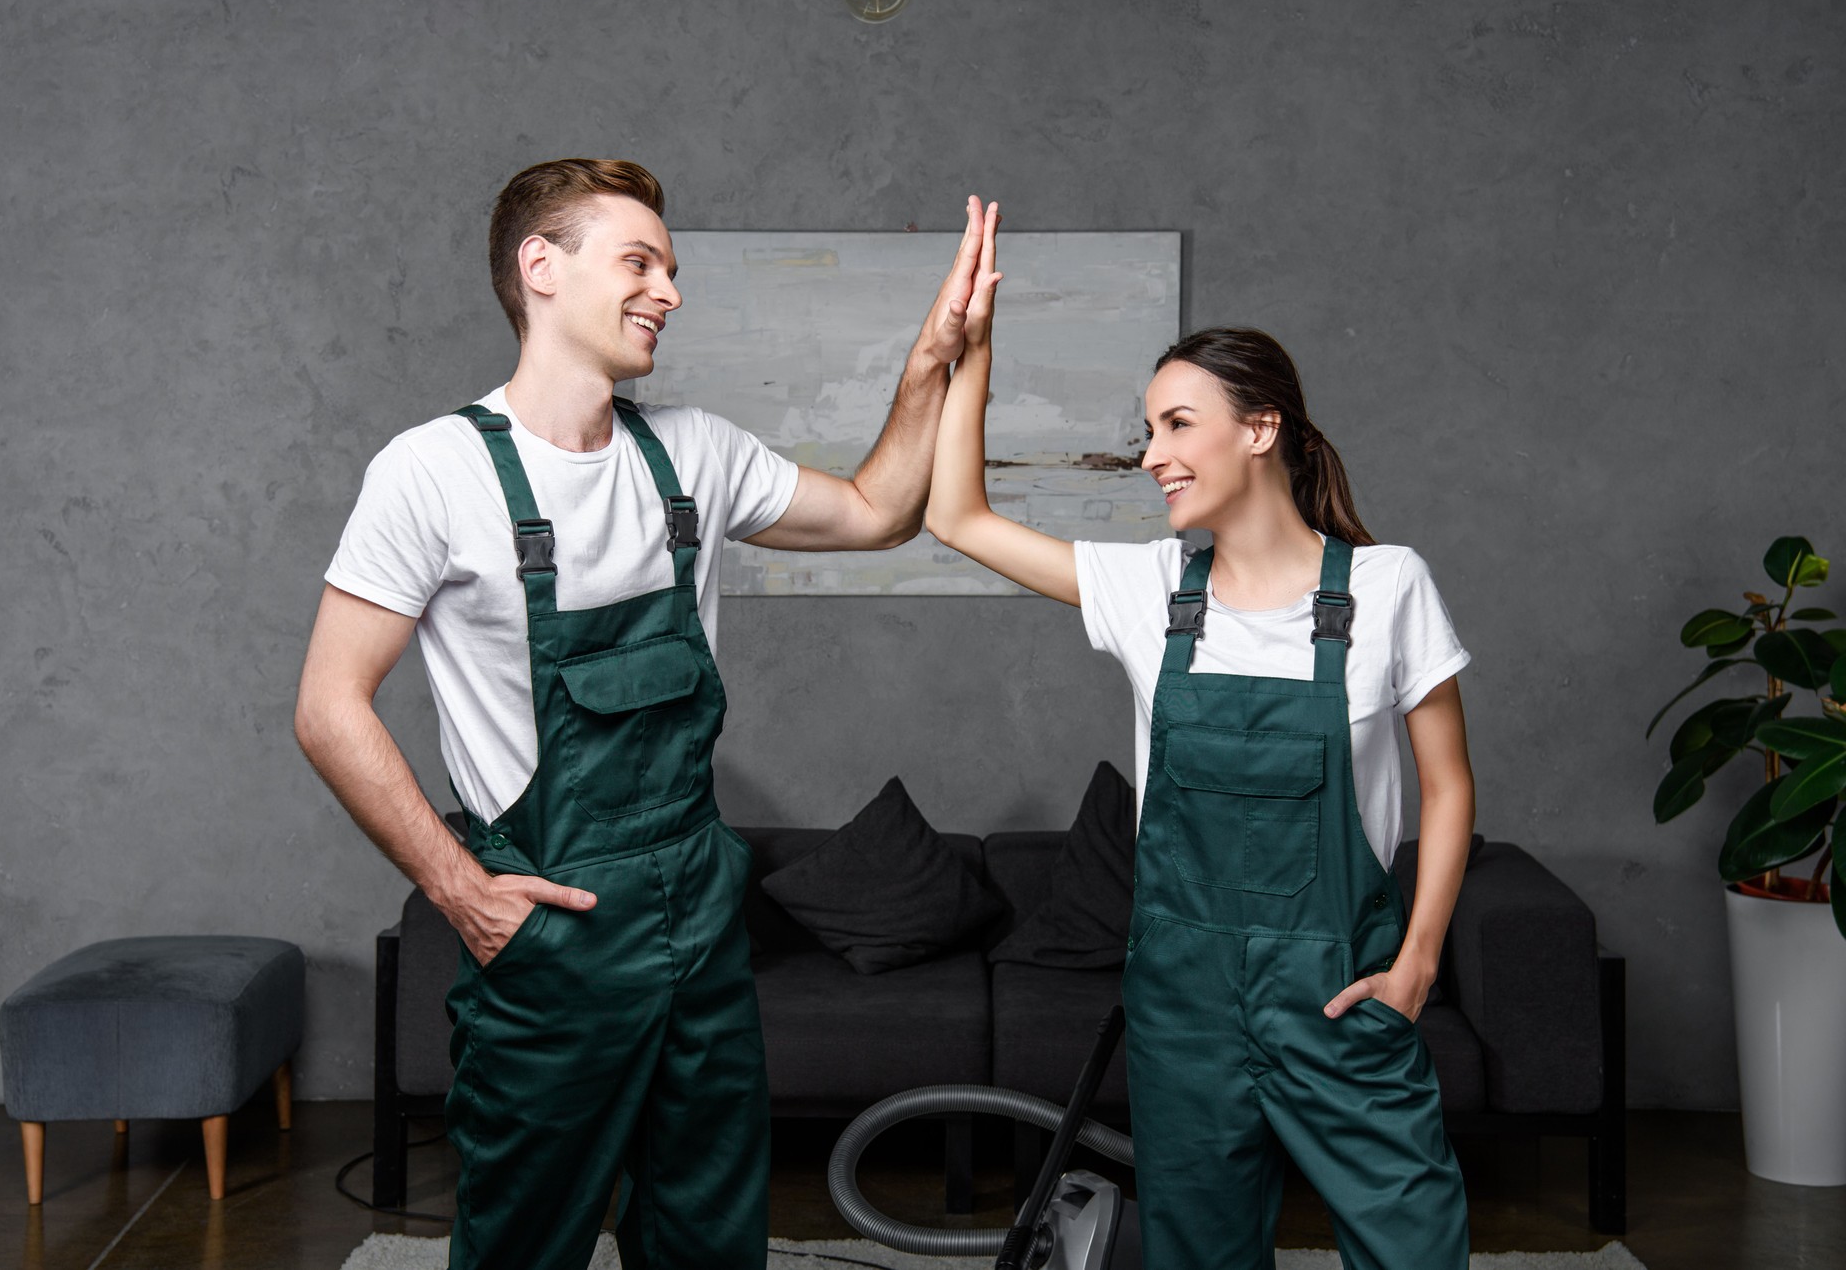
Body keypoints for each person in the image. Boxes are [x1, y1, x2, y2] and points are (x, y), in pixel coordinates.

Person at [293, 158, 990, 1269]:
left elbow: (876, 512)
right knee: (527, 1241)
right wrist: (462, 891)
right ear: (541, 268)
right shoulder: (431, 474)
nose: (668, 289)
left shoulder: (694, 454)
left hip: (702, 921)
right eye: (640, 261)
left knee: (711, 1231)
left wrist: (929, 362)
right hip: (556, 928)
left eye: (670, 268)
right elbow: (330, 707)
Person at [924, 217, 1475, 1269]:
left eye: (1178, 425)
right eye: (1148, 430)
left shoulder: (1386, 585)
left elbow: (1448, 790)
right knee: (1199, 1254)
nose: (1152, 455)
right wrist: (976, 346)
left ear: (1260, 428)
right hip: (1187, 1008)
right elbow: (956, 516)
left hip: (1340, 996)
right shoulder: (1146, 591)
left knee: (1414, 1244)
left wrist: (1416, 962)